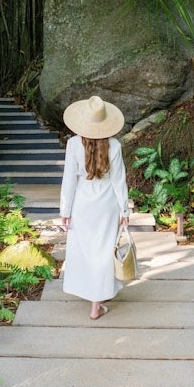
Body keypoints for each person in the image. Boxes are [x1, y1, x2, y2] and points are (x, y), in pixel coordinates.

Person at [59, 95, 130, 320]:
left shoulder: (73, 144)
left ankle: (95, 301)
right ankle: (97, 303)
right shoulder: (114, 145)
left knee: (86, 251)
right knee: (103, 250)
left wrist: (65, 211)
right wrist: (125, 210)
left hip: (83, 203)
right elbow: (119, 180)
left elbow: (69, 180)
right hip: (107, 203)